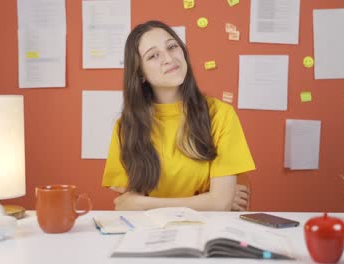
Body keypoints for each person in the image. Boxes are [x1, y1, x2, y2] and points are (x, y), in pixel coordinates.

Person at [102, 20, 255, 211]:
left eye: (172, 46)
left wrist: (144, 203)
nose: (168, 58)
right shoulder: (126, 126)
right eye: (153, 56)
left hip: (207, 230)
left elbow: (220, 203)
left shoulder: (220, 114)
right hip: (150, 233)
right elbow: (127, 207)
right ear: (140, 73)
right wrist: (207, 201)